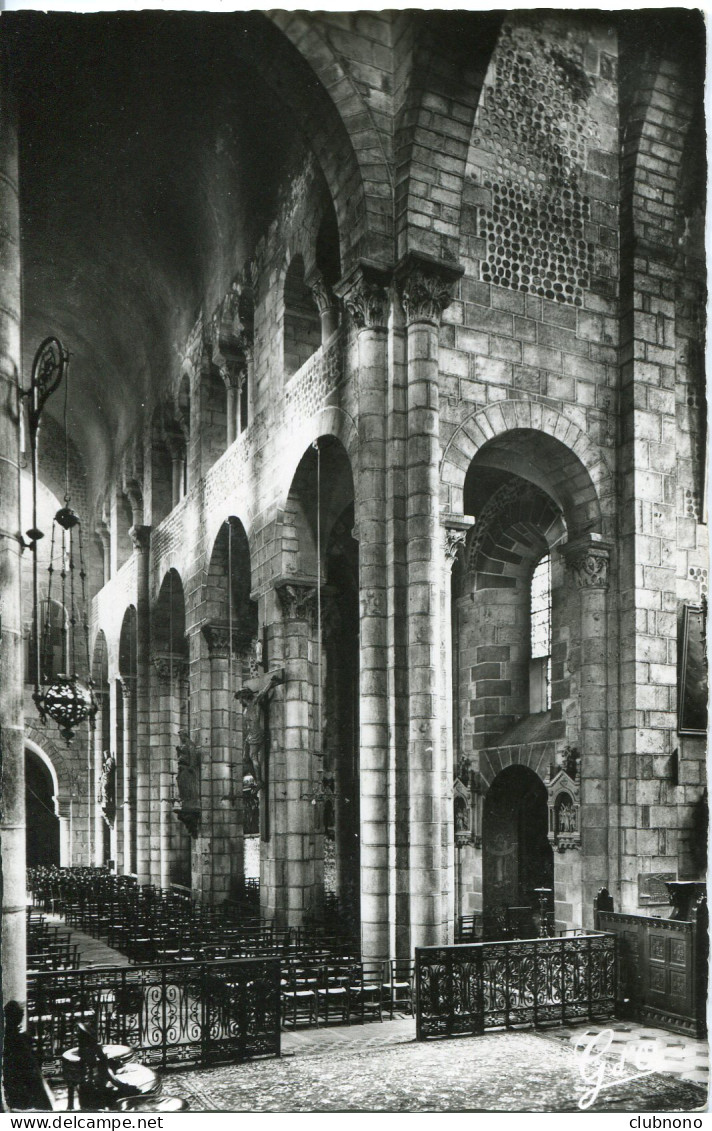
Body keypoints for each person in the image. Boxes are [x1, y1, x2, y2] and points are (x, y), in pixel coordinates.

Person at [2, 1001, 54, 1111]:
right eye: (20, 1014)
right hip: (24, 1077)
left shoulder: (13, 1034)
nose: (22, 1015)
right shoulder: (14, 1037)